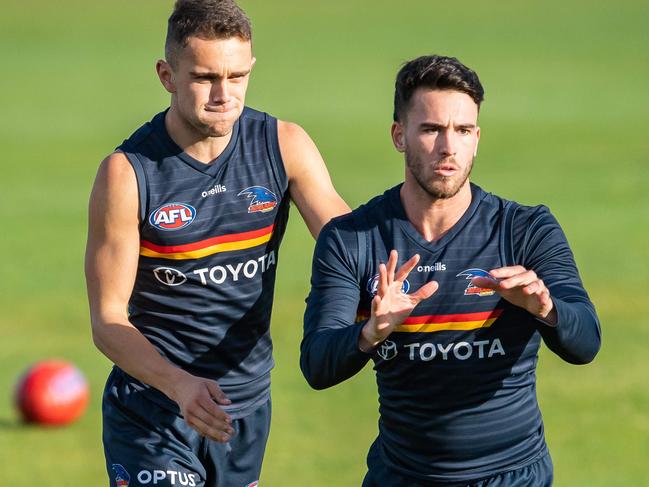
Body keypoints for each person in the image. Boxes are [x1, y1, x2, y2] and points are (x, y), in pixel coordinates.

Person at [300, 55, 601, 486]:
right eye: (431, 129)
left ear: (476, 138)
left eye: (462, 131)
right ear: (399, 136)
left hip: (512, 476)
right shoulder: (352, 239)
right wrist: (371, 332)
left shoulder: (525, 230)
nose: (448, 147)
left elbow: (587, 340)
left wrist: (545, 308)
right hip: (403, 476)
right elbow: (317, 363)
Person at [84, 1, 349, 486]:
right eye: (205, 78)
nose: (224, 95)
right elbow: (107, 321)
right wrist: (179, 386)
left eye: (237, 76)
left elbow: (349, 247)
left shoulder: (283, 145)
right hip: (153, 409)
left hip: (243, 407)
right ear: (167, 75)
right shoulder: (127, 174)